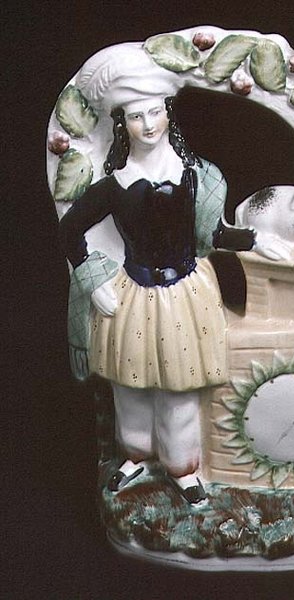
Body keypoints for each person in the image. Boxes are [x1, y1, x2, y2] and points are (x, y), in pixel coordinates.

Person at [58, 44, 255, 503]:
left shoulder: (195, 175)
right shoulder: (114, 186)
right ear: (122, 124)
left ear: (168, 114)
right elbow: (71, 231)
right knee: (130, 385)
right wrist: (91, 277)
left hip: (185, 293)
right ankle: (134, 455)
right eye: (135, 117)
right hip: (133, 294)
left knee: (179, 388)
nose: (147, 125)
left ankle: (183, 467)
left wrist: (254, 239)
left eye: (155, 113)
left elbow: (212, 233)